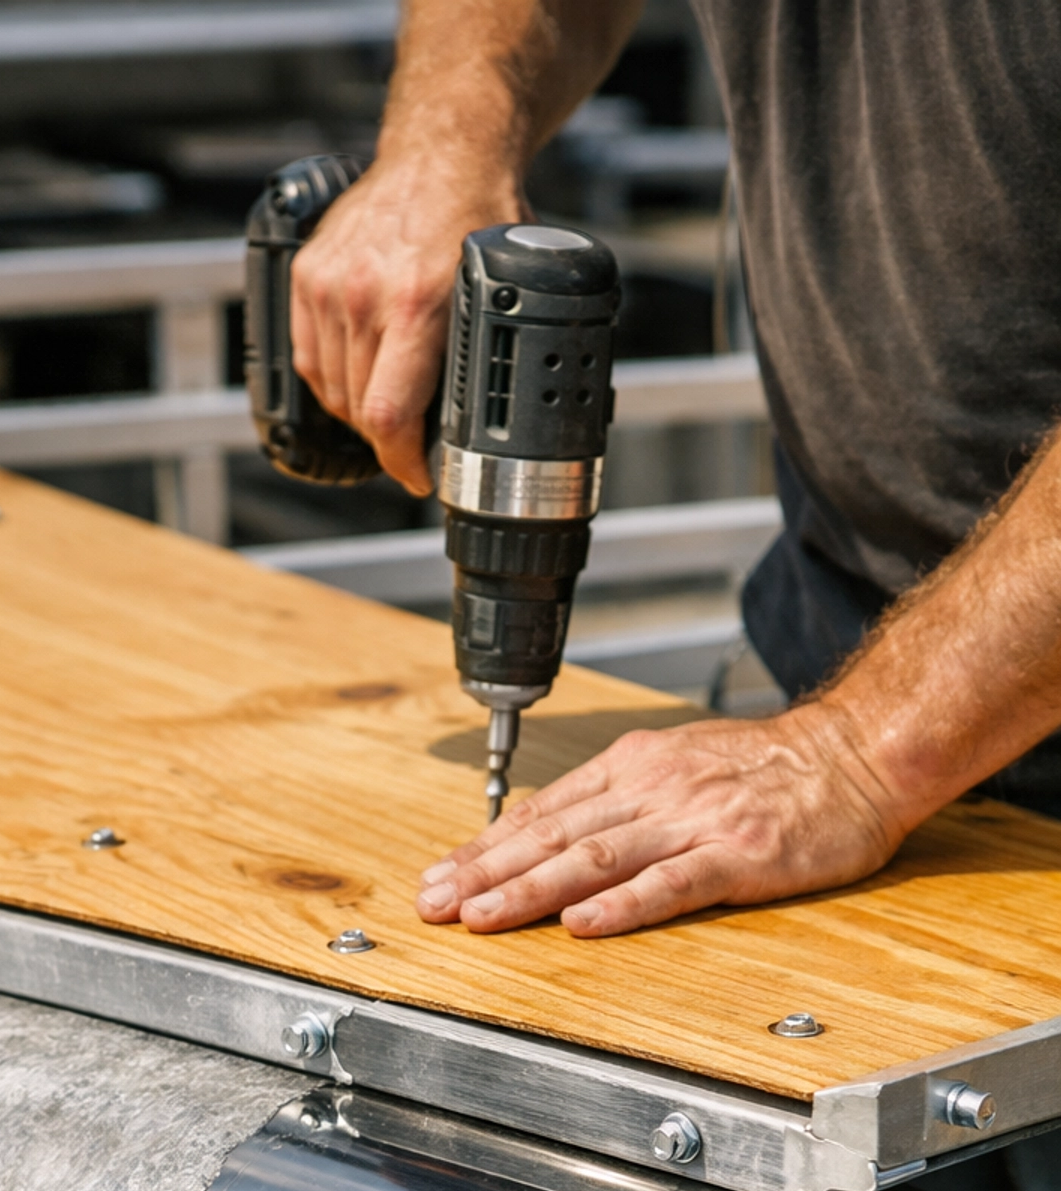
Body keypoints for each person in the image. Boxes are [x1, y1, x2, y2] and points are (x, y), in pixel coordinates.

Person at [290, 0, 1061, 944]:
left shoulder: (852, 757)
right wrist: (446, 140)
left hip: (882, 760)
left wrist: (858, 753)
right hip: (848, 718)